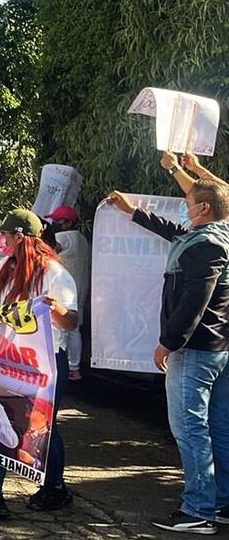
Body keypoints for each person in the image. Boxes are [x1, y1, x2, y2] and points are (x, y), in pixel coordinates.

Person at [108, 182, 229, 535]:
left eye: (188, 203)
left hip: (195, 351)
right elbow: (174, 231)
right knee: (217, 428)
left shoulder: (205, 245)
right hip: (219, 350)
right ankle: (220, 503)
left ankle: (198, 511)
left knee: (191, 429)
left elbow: (194, 301)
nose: (184, 209)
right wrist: (133, 212)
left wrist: (168, 342)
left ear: (203, 209)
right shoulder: (215, 238)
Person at [0, 208, 79, 519]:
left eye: (6, 235)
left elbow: (72, 322)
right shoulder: (5, 266)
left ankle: (55, 487)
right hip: (8, 358)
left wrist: (56, 309)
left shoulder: (54, 273)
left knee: (44, 426)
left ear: (21, 237)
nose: (2, 240)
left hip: (45, 363)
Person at [44, 205, 90, 381]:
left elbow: (48, 251)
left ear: (68, 222)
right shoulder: (83, 239)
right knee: (75, 329)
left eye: (58, 220)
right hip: (80, 286)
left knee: (64, 329)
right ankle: (75, 368)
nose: (55, 223)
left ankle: (66, 365)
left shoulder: (63, 237)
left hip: (64, 286)